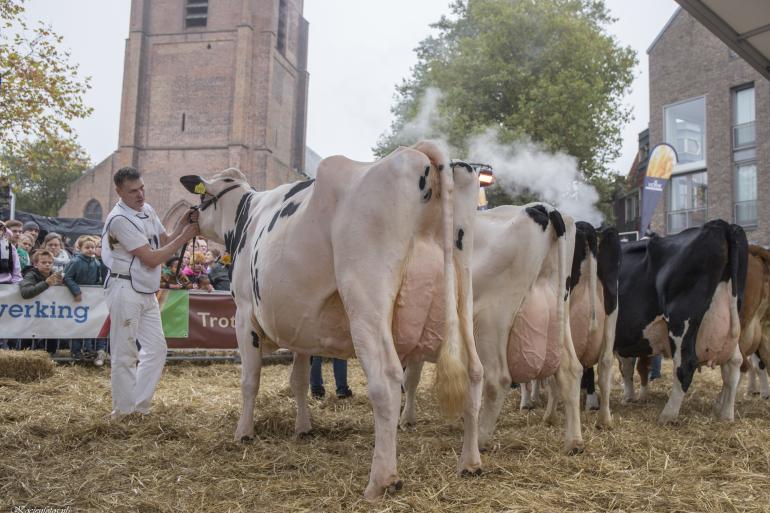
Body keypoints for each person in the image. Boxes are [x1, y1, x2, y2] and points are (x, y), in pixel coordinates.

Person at [102, 166, 198, 421]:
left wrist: (182, 225)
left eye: (142, 187)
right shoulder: (119, 219)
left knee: (156, 349)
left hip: (145, 289)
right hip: (124, 287)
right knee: (125, 353)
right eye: (133, 190)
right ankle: (122, 412)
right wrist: (185, 236)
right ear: (119, 191)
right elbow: (152, 258)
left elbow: (165, 239)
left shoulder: (147, 210)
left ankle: (139, 406)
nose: (140, 194)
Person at [63, 236, 107, 365]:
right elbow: (67, 278)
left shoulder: (96, 263)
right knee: (77, 325)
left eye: (92, 247)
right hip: (76, 299)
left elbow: (97, 280)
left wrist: (99, 290)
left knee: (88, 324)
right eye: (87, 247)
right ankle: (76, 352)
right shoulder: (75, 262)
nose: (90, 250)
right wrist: (76, 291)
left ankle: (88, 350)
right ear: (79, 248)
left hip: (90, 300)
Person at [19, 250, 62, 354]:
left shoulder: (55, 275)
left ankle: (50, 357)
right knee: (27, 342)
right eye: (43, 262)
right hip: (30, 314)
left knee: (51, 338)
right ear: (35, 264)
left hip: (50, 314)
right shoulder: (30, 275)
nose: (47, 265)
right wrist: (46, 284)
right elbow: (25, 293)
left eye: (50, 262)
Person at [0, 223, 23, 350]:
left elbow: (16, 271)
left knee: (5, 321)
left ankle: (4, 348)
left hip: (6, 287)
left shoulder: (9, 247)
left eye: (1, 229)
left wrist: (15, 287)